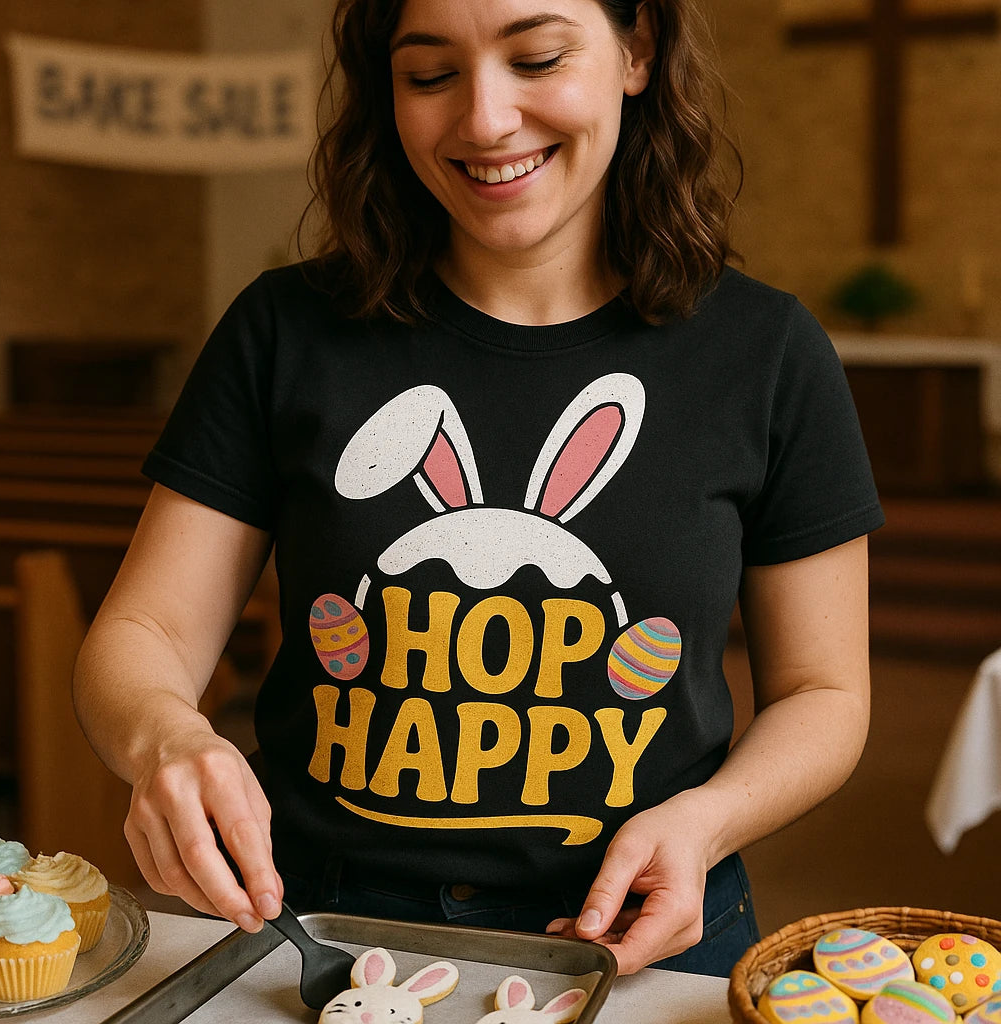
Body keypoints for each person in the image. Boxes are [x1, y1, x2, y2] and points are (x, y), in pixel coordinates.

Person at [73, 0, 884, 978]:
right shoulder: (284, 332)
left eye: (536, 56)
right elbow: (143, 635)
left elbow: (822, 690)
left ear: (637, 50)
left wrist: (706, 822)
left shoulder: (765, 354)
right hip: (317, 930)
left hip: (643, 934)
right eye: (429, 75)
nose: (485, 119)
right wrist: (164, 739)